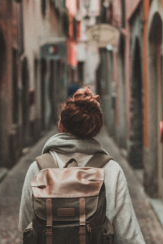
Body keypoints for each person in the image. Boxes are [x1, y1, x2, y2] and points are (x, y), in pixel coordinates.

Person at [18, 86, 146, 244]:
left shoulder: (38, 169)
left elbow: (27, 225)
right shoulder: (111, 170)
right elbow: (128, 235)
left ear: (61, 126)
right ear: (95, 128)